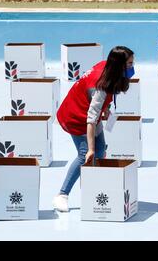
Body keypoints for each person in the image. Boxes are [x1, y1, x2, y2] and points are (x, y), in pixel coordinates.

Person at [52, 46, 135, 212]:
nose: (133, 67)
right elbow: (90, 119)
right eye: (130, 63)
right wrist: (89, 149)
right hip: (75, 117)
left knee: (100, 150)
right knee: (86, 155)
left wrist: (105, 108)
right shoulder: (100, 88)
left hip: (88, 113)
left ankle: (95, 189)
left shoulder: (107, 66)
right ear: (119, 66)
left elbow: (97, 103)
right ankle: (62, 195)